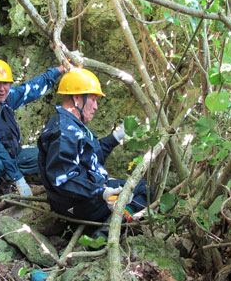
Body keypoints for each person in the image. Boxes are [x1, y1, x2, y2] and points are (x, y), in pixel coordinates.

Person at [37, 67, 153, 223]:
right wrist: (102, 192)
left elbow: (89, 156)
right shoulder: (64, 132)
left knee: (141, 188)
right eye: (93, 99)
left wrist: (116, 137)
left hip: (83, 196)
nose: (96, 107)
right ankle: (107, 231)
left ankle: (114, 219)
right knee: (144, 192)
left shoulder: (71, 125)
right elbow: (64, 180)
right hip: (77, 204)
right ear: (77, 98)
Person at [0, 59, 65, 202]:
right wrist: (19, 180)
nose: (2, 89)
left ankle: (4, 180)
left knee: (48, 153)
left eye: (6, 83)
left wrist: (59, 70)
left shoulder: (6, 99)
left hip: (12, 157)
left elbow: (31, 89)